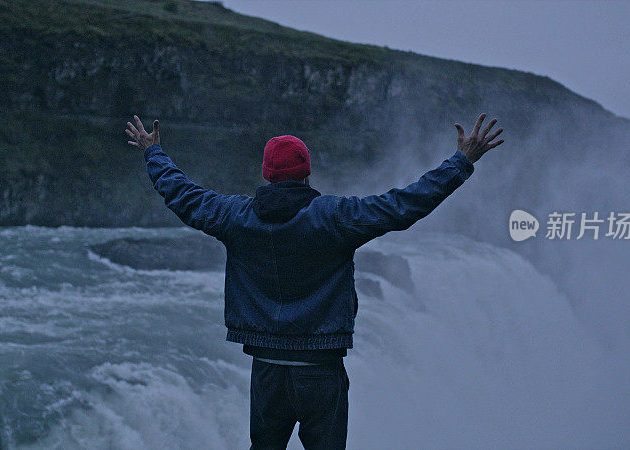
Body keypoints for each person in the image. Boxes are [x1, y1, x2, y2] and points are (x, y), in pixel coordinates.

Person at [125, 113, 504, 449]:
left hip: (267, 366)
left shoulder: (234, 216)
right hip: (320, 369)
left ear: (266, 175)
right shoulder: (334, 217)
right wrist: (462, 161)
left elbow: (183, 195)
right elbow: (403, 204)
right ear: (307, 172)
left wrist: (153, 152)